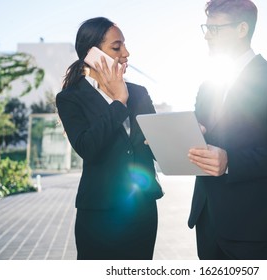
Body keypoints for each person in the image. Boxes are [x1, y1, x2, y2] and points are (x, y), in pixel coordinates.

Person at [187, 0, 267, 260]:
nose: (206, 36)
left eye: (214, 29)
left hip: (253, 223)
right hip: (207, 219)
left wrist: (230, 161)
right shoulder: (208, 85)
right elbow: (204, 135)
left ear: (241, 29)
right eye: (205, 28)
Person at [56, 17, 163, 260]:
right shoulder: (70, 98)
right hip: (98, 214)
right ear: (92, 54)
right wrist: (118, 102)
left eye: (124, 45)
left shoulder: (140, 93)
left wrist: (178, 136)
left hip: (142, 211)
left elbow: (156, 144)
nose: (126, 53)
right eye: (117, 47)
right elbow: (88, 147)